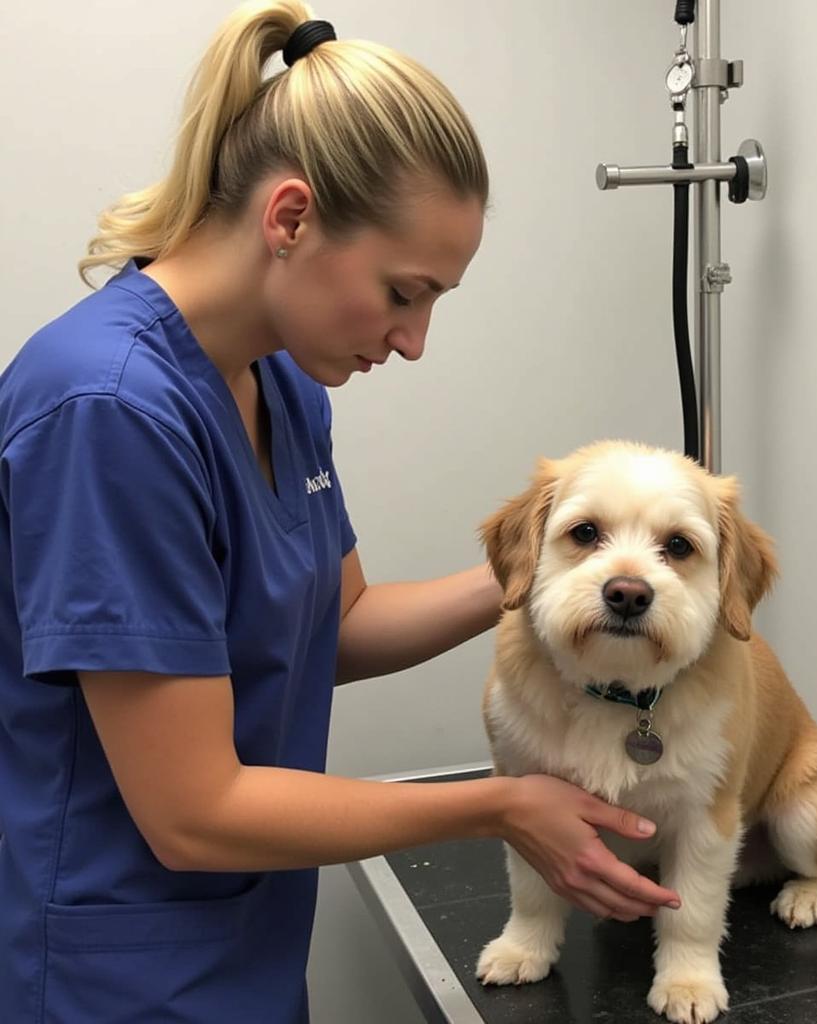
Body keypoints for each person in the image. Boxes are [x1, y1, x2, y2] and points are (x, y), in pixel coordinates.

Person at [0, 3, 682, 1020]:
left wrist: (560, 570)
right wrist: (499, 806)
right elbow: (194, 811)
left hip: (241, 948)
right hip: (114, 975)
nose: (412, 341)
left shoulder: (279, 382)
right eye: (404, 293)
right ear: (290, 218)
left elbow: (338, 623)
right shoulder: (110, 412)